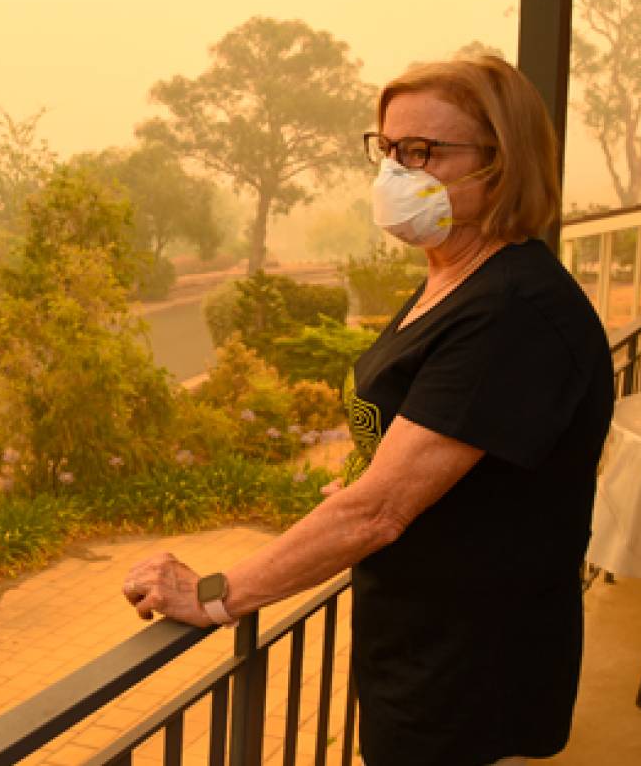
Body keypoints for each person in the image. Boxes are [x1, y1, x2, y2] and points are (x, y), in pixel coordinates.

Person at [121, 54, 613, 766]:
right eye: (387, 149)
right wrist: (374, 479)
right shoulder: (453, 278)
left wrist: (214, 594)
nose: (396, 173)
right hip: (419, 638)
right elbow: (431, 459)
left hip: (468, 664)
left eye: (423, 152)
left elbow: (377, 513)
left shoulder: (512, 313)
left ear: (501, 165)